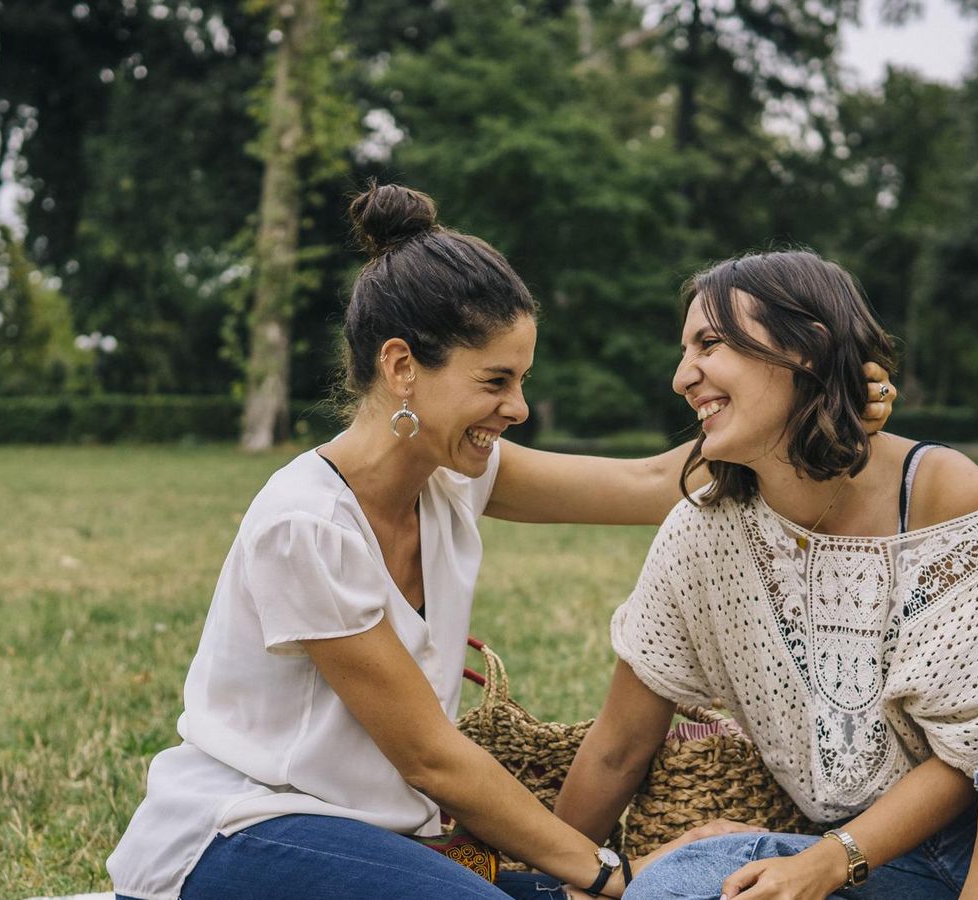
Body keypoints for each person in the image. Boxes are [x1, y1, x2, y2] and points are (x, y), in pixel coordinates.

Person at [107, 186, 899, 900]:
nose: (517, 408)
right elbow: (432, 760)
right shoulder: (304, 527)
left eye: (520, 379)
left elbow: (653, 484)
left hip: (376, 843)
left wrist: (817, 405)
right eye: (495, 382)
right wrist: (603, 870)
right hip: (238, 832)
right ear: (401, 367)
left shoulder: (455, 477)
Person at [552, 250, 978, 900]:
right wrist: (557, 879)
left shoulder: (937, 493)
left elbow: (971, 753)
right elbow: (617, 749)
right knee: (677, 880)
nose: (684, 376)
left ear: (809, 350)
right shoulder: (700, 533)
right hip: (883, 871)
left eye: (710, 342)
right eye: (683, 351)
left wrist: (835, 856)